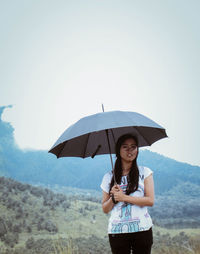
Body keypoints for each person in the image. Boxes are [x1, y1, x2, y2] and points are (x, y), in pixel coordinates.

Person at [100, 134, 154, 254]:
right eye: (125, 147)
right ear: (118, 151)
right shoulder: (109, 177)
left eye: (133, 147)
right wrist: (113, 199)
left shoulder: (145, 172)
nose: (130, 151)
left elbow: (150, 200)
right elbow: (105, 208)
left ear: (137, 150)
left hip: (142, 229)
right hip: (117, 232)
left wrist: (124, 197)